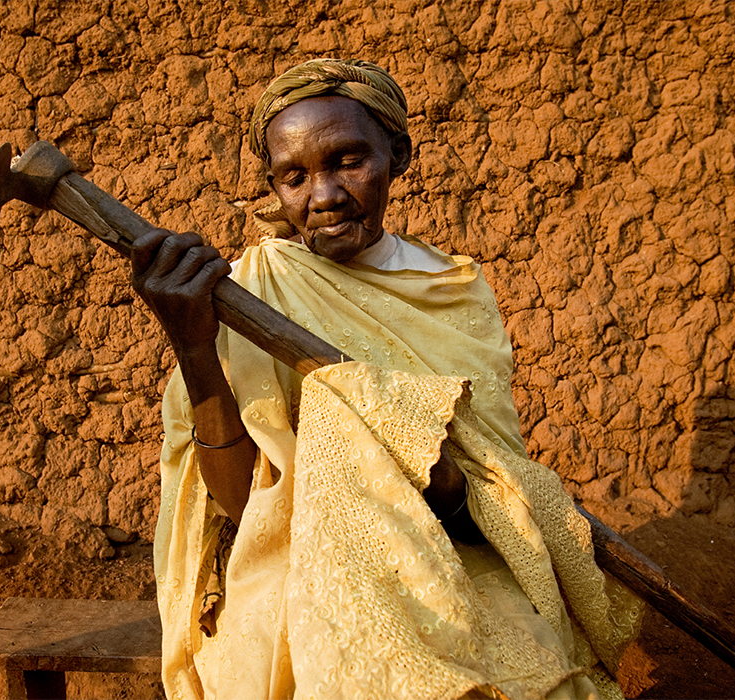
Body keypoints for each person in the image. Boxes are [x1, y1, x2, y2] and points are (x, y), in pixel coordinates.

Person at [130, 58, 640, 700]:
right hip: (305, 567)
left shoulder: (453, 293)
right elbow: (239, 504)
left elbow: (496, 486)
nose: (323, 196)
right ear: (273, 187)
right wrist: (194, 346)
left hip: (453, 556)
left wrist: (451, 490)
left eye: (347, 161)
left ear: (396, 154)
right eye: (294, 177)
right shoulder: (248, 294)